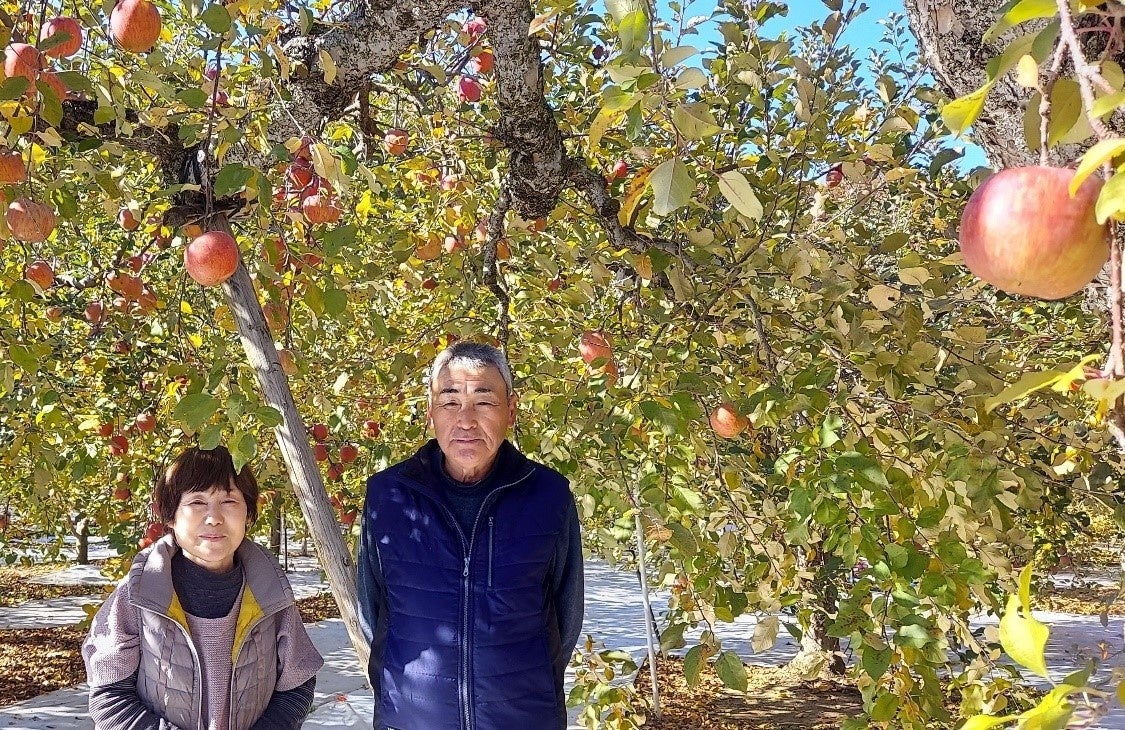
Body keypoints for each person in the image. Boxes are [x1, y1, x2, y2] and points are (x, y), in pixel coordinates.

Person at [359, 342, 584, 730]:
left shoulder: (548, 496)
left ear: (510, 410)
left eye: (483, 402)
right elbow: (373, 612)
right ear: (430, 412)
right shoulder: (388, 497)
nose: (465, 420)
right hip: (413, 719)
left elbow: (565, 619)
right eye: (449, 402)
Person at [83, 444, 323, 730]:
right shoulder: (138, 594)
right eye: (197, 502)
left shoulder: (270, 594)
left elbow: (298, 682)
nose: (213, 517)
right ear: (171, 516)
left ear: (248, 513)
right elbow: (109, 696)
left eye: (229, 501)